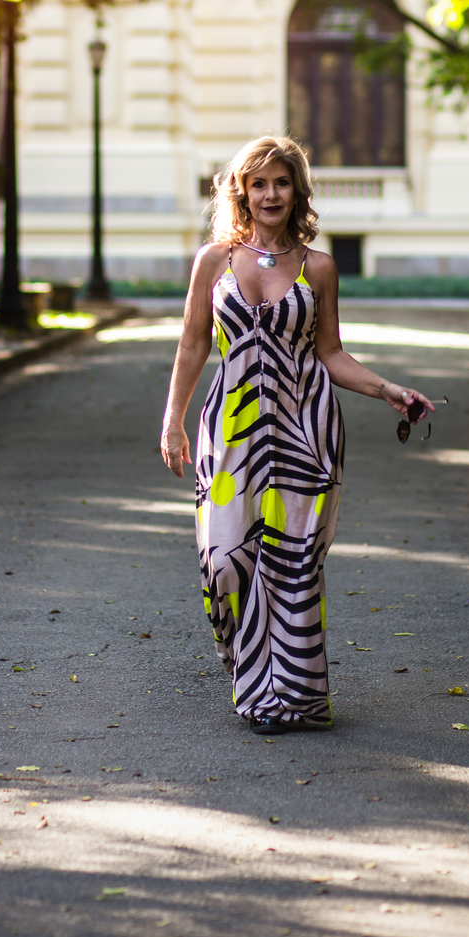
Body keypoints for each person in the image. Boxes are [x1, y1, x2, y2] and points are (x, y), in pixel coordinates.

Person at [160, 135, 439, 735]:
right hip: (230, 431)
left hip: (304, 426)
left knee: (292, 565)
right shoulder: (214, 261)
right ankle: (253, 675)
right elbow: (192, 343)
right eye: (257, 183)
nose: (269, 194)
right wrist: (172, 419)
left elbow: (330, 354)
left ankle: (291, 699)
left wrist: (387, 389)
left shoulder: (318, 267)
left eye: (281, 182)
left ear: (297, 190)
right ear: (240, 191)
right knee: (224, 563)